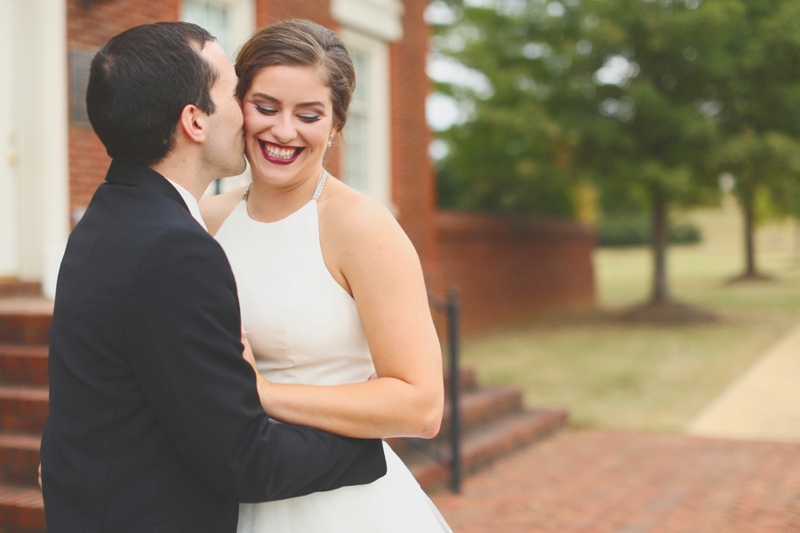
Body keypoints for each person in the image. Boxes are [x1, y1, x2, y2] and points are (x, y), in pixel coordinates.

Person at [40, 22, 386, 533]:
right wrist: (368, 444)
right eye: (233, 89)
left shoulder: (106, 216)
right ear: (195, 121)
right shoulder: (175, 249)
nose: (246, 106)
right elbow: (244, 458)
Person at [200, 19, 452, 532]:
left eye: (309, 115)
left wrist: (265, 393)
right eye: (266, 107)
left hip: (336, 501)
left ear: (335, 126)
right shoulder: (205, 220)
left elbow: (421, 404)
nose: (283, 131)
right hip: (229, 497)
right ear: (238, 106)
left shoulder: (360, 226)